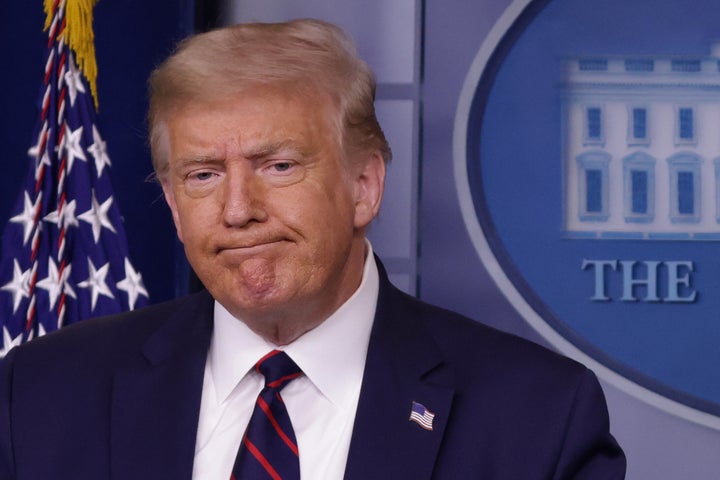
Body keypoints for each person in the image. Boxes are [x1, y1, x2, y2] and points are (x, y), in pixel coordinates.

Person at [0, 19, 625, 479]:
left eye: (278, 165)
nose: (239, 209)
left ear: (364, 186)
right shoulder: (40, 396)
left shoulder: (539, 418)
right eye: (202, 175)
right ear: (171, 202)